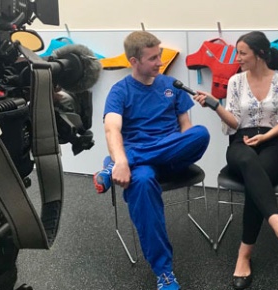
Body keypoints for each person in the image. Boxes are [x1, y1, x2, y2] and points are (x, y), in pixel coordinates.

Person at [93, 31, 210, 290]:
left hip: (169, 157)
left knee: (200, 134)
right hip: (142, 166)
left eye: (160, 55)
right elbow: (112, 129)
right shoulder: (120, 91)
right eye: (153, 58)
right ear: (134, 61)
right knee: (142, 180)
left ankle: (116, 164)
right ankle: (164, 272)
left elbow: (186, 128)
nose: (160, 62)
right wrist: (124, 158)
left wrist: (122, 161)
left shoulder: (172, 86)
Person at [194, 30, 278, 290]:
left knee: (257, 180)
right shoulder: (235, 81)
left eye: (242, 53)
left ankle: (243, 256)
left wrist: (266, 135)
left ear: (260, 55)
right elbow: (235, 122)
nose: (238, 57)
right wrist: (214, 105)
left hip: (274, 142)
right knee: (248, 162)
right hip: (241, 143)